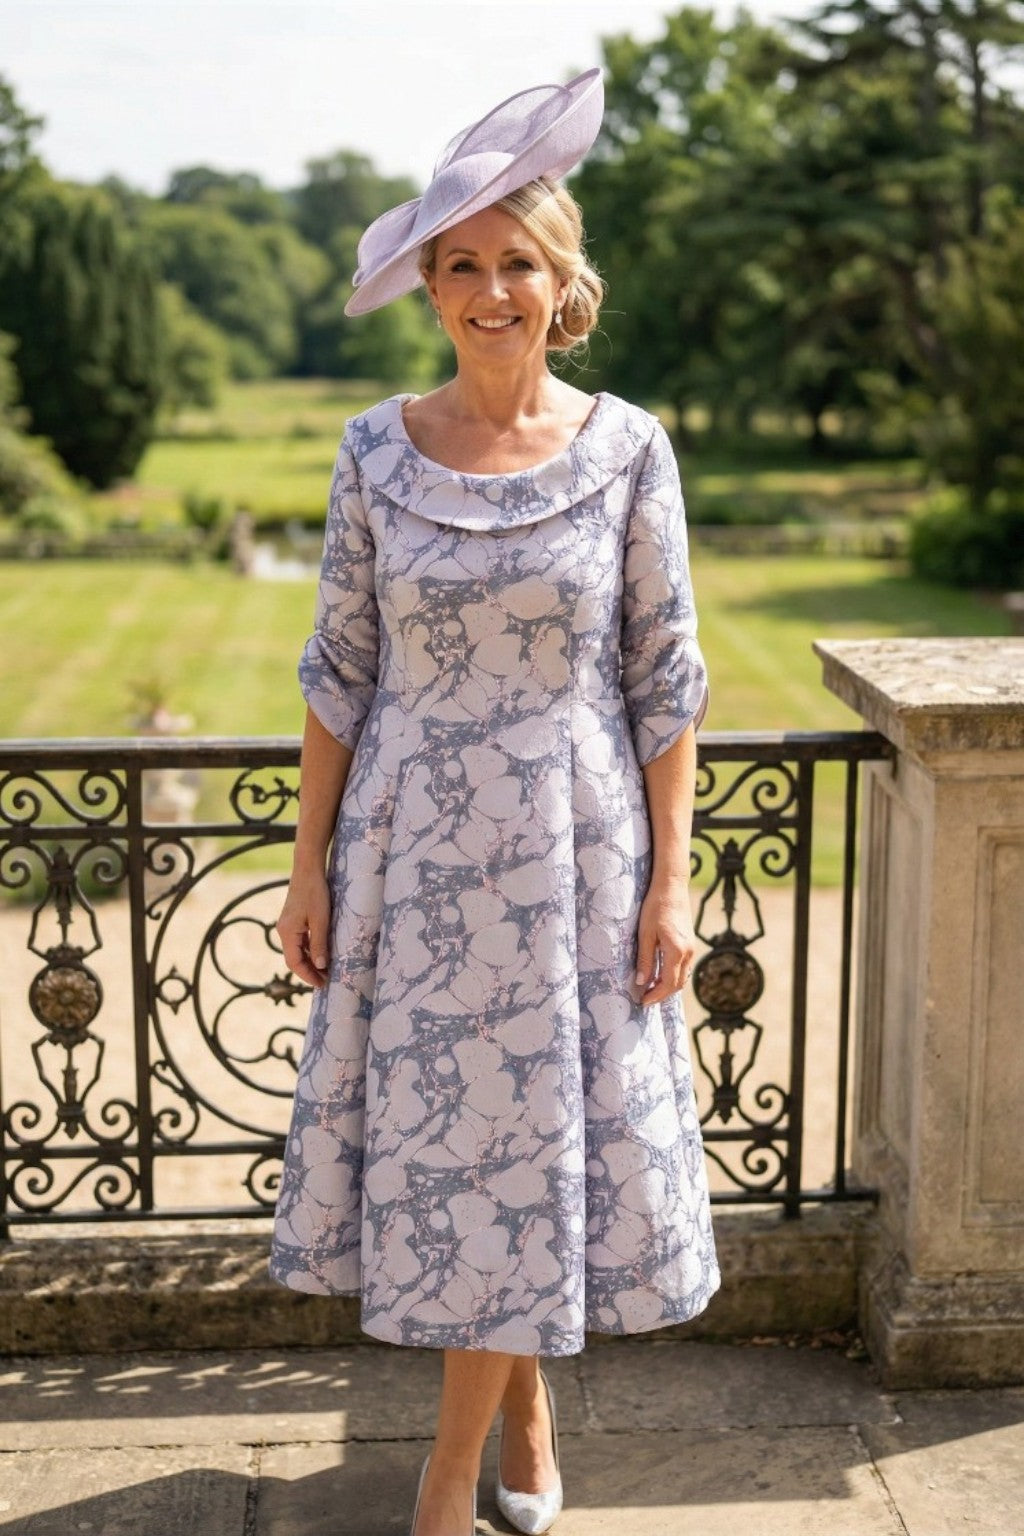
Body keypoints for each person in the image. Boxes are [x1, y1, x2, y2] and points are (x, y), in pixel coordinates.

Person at [269, 67, 721, 1536]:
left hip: (575, 853)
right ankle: (521, 1404)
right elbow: (339, 669)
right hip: (413, 853)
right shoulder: (372, 452)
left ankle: (445, 1481)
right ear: (431, 290)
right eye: (458, 264)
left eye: (514, 261)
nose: (488, 289)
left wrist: (668, 883)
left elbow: (668, 681)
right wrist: (309, 868)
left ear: (562, 282)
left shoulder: (628, 449)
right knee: (466, 1152)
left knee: (526, 1150)